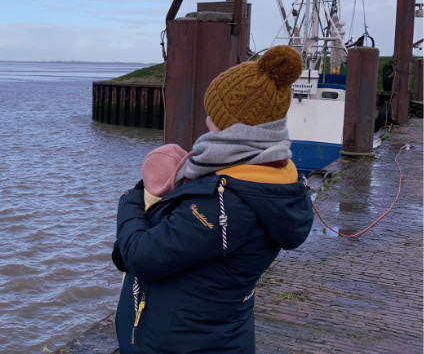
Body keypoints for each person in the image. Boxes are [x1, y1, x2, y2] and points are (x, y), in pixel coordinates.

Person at [111, 45, 314, 353]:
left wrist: (134, 197)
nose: (207, 119)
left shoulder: (230, 202)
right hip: (211, 333)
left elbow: (142, 256)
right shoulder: (262, 174)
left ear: (236, 128)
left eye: (214, 113)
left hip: (183, 343)